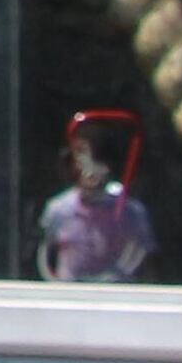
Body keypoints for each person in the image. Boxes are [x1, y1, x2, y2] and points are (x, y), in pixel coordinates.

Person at [40, 111, 158, 283]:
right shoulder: (58, 210)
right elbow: (46, 256)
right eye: (81, 160)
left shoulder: (131, 212)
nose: (89, 170)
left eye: (96, 161)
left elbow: (144, 261)